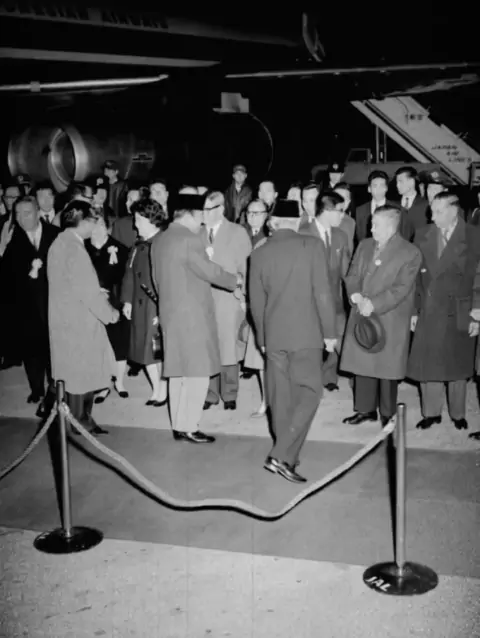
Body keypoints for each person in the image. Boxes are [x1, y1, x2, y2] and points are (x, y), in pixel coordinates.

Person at [249, 199, 337, 483]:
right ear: (297, 220)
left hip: (274, 336)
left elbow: (256, 303)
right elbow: (322, 292)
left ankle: (287, 457)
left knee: (280, 398)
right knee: (310, 392)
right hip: (306, 334)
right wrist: (330, 333)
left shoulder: (259, 253)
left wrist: (262, 338)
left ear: (273, 222)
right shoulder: (312, 245)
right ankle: (280, 454)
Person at [151, 193, 240, 443]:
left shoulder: (160, 239)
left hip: (170, 313)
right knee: (198, 373)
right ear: (190, 214)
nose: (203, 218)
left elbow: (157, 280)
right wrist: (236, 280)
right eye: (201, 213)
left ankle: (179, 426)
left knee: (178, 372)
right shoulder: (189, 239)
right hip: (193, 316)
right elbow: (209, 271)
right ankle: (189, 426)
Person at [341, 205, 422, 427]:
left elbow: (401, 288)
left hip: (389, 316)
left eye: (376, 225)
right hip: (361, 312)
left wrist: (374, 304)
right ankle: (365, 409)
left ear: (391, 227)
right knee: (362, 363)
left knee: (387, 367)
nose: (371, 229)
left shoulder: (410, 252)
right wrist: (355, 294)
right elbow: (352, 274)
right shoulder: (364, 245)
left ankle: (388, 413)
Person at [408, 192, 480, 431]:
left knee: (457, 362)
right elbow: (414, 277)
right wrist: (414, 310)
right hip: (429, 308)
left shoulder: (473, 235)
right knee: (428, 361)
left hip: (460, 307)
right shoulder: (422, 234)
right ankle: (431, 413)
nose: (433, 216)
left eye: (438, 211)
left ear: (454, 210)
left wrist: (477, 312)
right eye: (432, 211)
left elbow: (479, 276)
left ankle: (458, 413)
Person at [48, 200, 120, 436]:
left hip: (65, 318)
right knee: (81, 374)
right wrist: (110, 314)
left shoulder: (60, 242)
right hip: (80, 322)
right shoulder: (75, 249)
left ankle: (80, 419)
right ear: (84, 222)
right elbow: (88, 294)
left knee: (73, 373)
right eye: (94, 221)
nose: (95, 226)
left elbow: (71, 283)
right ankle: (79, 422)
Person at [1, 196, 59, 410]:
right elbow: (7, 275)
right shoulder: (13, 240)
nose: (21, 218)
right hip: (26, 306)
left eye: (26, 213)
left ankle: (54, 389)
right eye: (17, 214)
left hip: (52, 303)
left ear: (37, 212)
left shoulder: (56, 234)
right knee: (31, 351)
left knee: (53, 351)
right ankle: (36, 389)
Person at [202, 191, 252, 411]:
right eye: (202, 210)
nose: (203, 214)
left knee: (229, 348)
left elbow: (247, 268)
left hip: (229, 299)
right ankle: (210, 393)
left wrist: (245, 297)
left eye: (207, 210)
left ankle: (230, 393)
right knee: (208, 346)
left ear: (221, 209)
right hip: (203, 300)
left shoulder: (237, 232)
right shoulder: (197, 233)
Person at [300, 192, 351, 391]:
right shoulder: (303, 234)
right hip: (309, 303)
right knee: (311, 345)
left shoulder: (341, 236)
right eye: (340, 211)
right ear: (328, 211)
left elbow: (346, 271)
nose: (343, 215)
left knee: (342, 342)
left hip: (335, 301)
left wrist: (356, 295)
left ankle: (329, 376)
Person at [121, 198, 169, 406]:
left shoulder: (163, 243)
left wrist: (162, 310)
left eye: (139, 219)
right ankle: (156, 389)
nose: (135, 224)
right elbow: (129, 274)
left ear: (151, 219)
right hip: (139, 305)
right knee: (143, 350)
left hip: (155, 305)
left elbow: (167, 280)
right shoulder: (138, 245)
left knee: (157, 351)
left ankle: (164, 391)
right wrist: (127, 301)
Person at [85, 212, 130, 402]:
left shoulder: (120, 249)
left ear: (108, 227)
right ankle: (103, 385)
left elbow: (126, 277)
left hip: (115, 301)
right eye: (94, 225)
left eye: (102, 225)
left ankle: (119, 382)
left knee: (119, 343)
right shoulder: (83, 247)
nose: (98, 229)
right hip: (91, 303)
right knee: (98, 344)